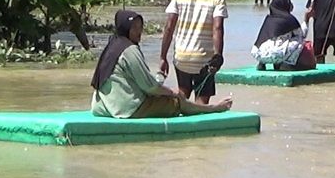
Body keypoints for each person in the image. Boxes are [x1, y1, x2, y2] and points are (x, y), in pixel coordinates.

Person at [92, 10, 233, 118]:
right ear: (125, 28)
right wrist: (173, 92)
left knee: (165, 94)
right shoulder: (130, 50)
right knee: (177, 102)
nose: (139, 31)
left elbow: (139, 81)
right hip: (127, 109)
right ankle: (214, 108)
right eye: (134, 28)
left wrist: (160, 77)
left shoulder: (112, 45)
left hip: (102, 107)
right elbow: (149, 87)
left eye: (140, 27)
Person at [162, 0, 228, 104]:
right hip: (205, 59)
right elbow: (217, 28)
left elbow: (169, 26)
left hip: (182, 57)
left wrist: (162, 57)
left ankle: (178, 122)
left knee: (182, 94)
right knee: (202, 101)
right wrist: (218, 56)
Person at [251, 0, 315, 71]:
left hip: (258, 55)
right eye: (289, 2)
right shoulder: (288, 19)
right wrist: (307, 18)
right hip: (277, 55)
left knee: (272, 42)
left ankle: (262, 63)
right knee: (300, 41)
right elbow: (302, 34)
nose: (291, 4)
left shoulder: (268, 19)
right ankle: (288, 63)